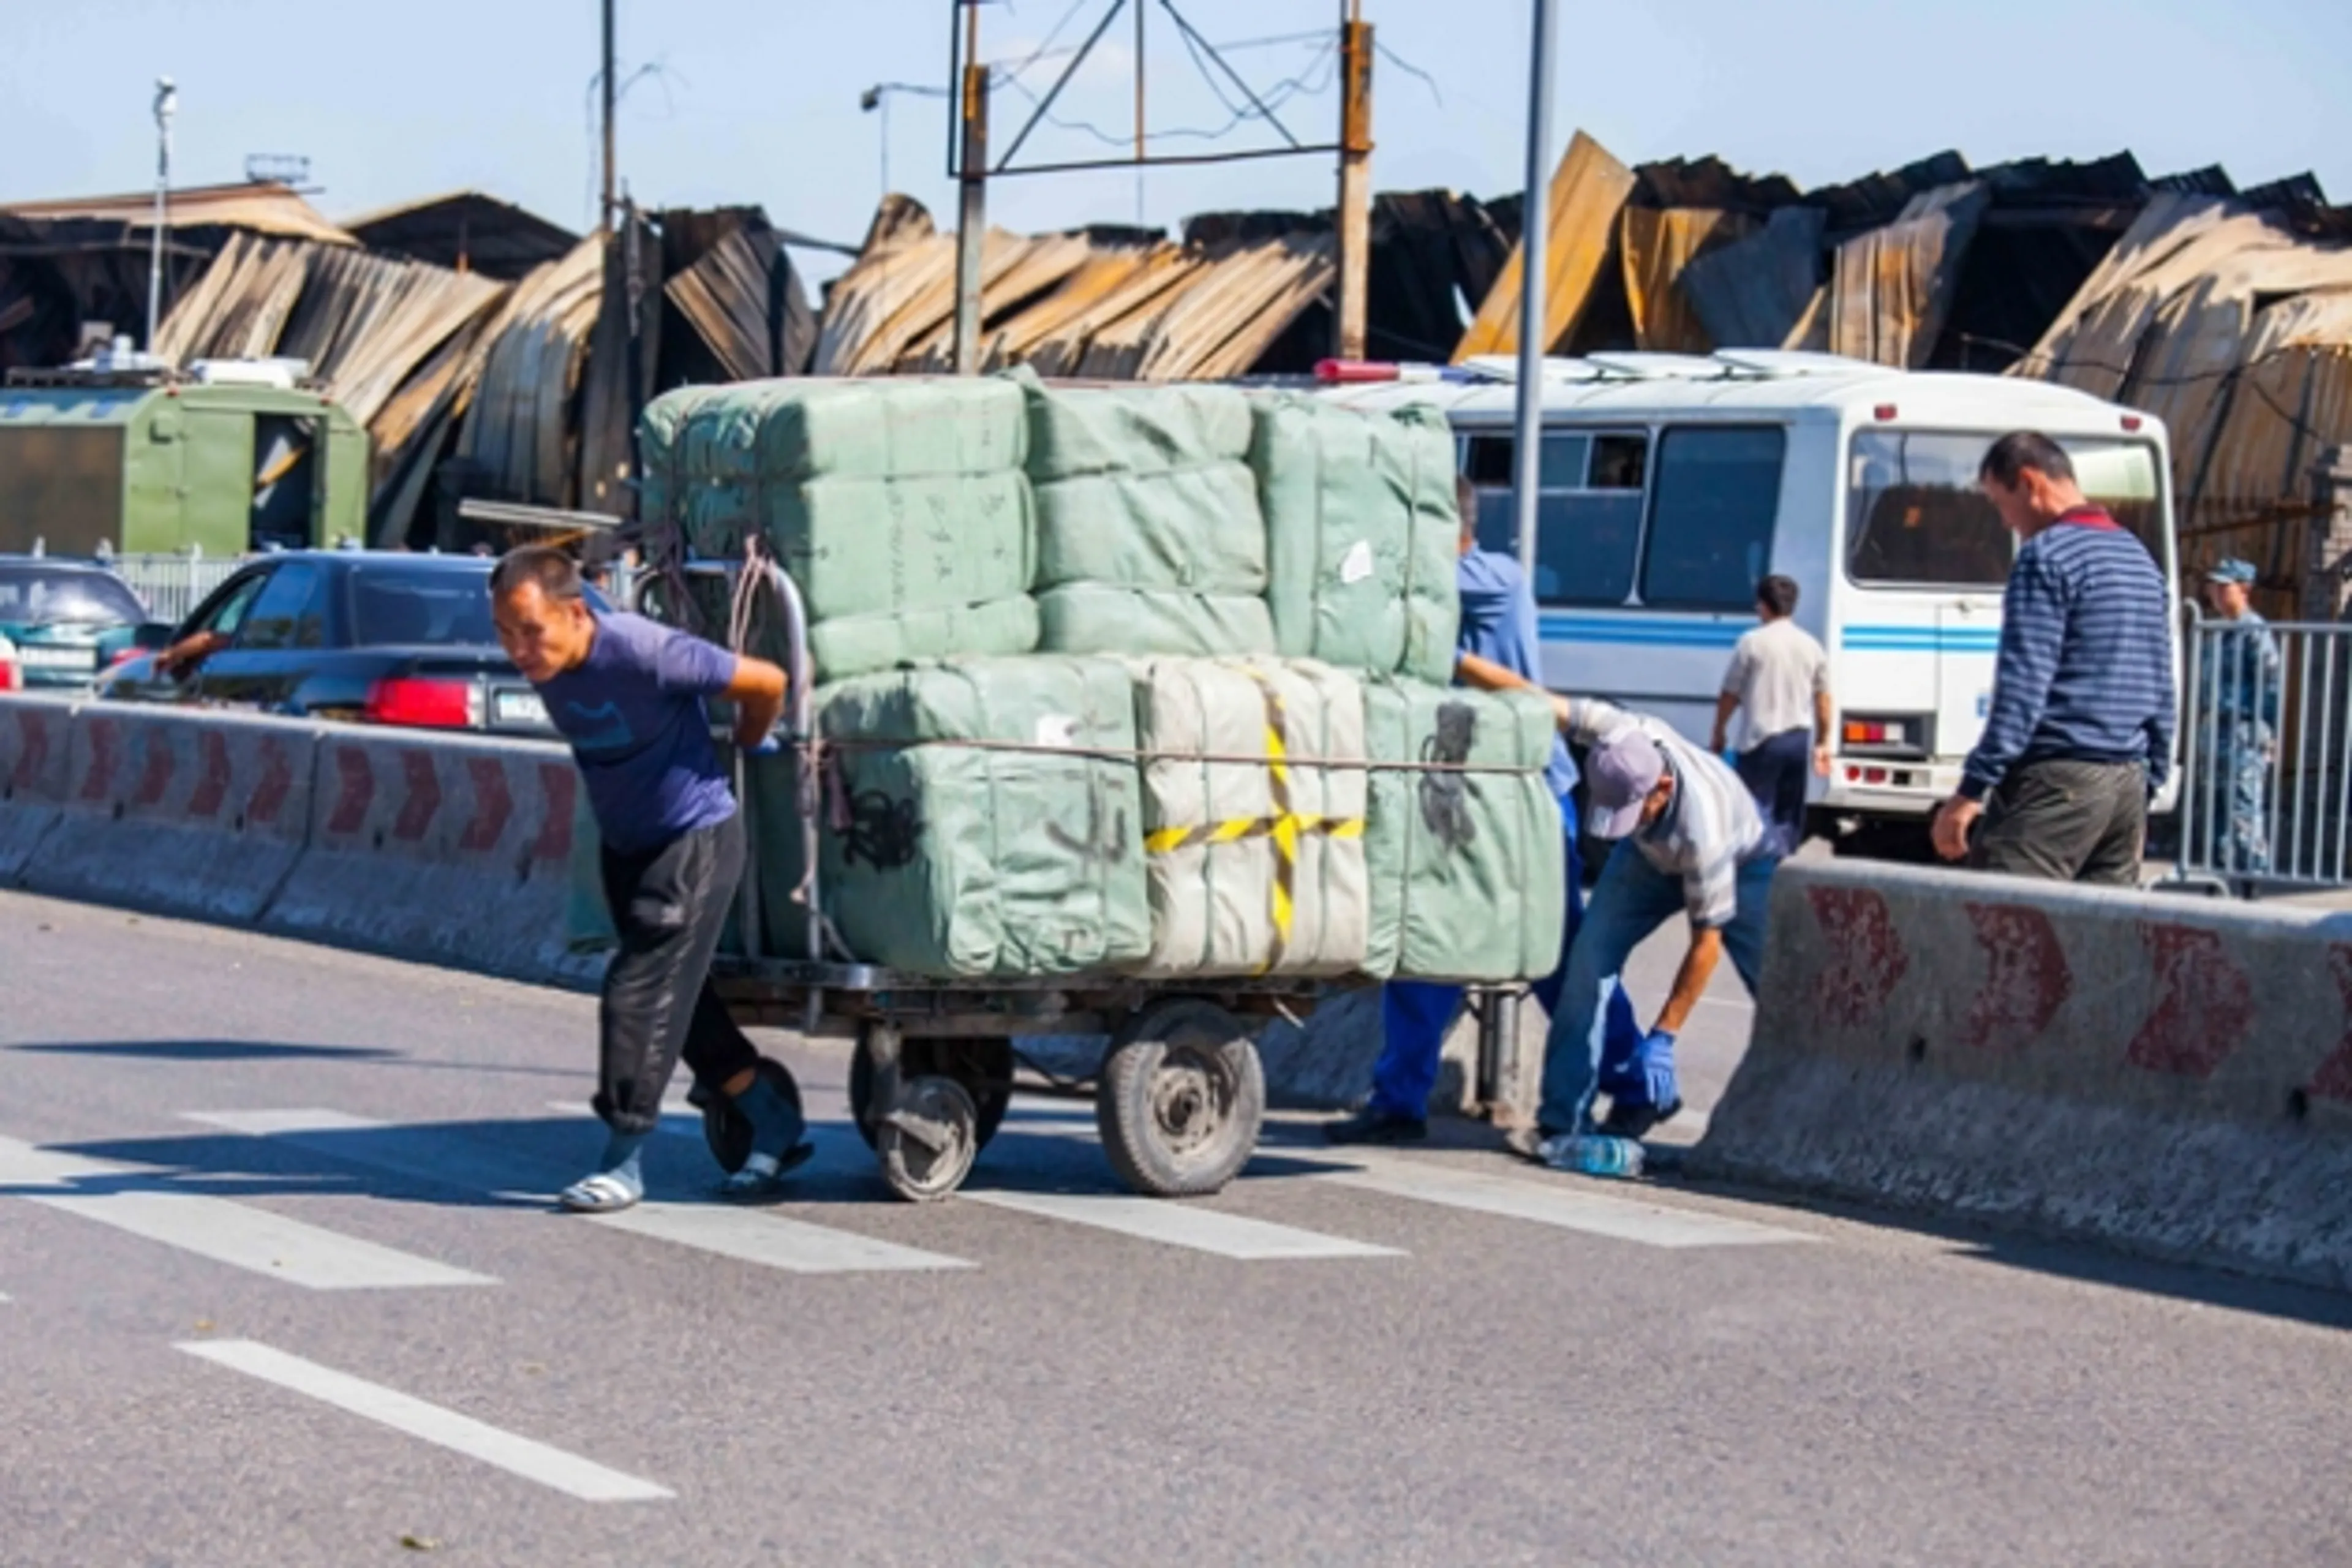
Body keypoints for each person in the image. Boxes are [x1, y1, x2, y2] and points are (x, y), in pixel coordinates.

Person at [489, 545, 810, 1213]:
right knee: (683, 1004)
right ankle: (768, 1113)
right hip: (626, 845)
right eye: (505, 633)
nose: (518, 649)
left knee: (638, 994)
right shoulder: (551, 663)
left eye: (531, 630)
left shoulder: (645, 651)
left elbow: (767, 681)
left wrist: (752, 741)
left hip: (693, 839)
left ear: (576, 614)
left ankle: (624, 1160)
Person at [1324, 475, 1642, 1145]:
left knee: (1559, 949)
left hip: (1526, 791)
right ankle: (1399, 1099)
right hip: (1456, 785)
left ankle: (1633, 1077)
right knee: (1424, 940)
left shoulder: (1495, 579)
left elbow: (1397, 596)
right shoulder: (1434, 594)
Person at [1517, 695, 1779, 1171]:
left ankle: (1790, 1121)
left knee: (1779, 989)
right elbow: (1537, 697)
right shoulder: (1619, 735)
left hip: (1744, 862)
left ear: (1661, 785)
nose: (1625, 822)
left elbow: (1706, 944)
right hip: (1645, 860)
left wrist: (1663, 1036)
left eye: (1634, 810)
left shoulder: (1706, 832)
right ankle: (1563, 1122)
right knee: (1588, 964)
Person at [1929, 432, 2175, 884]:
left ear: (2029, 483)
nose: (2006, 523)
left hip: (2058, 778)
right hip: (2126, 783)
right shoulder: (2138, 557)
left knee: (2004, 929)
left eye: (2001, 504)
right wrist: (2150, 782)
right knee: (2096, 941)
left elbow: (2023, 689)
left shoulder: (2046, 557)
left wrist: (1970, 790)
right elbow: (2160, 684)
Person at [1711, 574, 1832, 855]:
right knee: (1788, 815)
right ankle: (1781, 868)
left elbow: (1730, 694)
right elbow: (1824, 700)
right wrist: (1823, 743)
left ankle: (1755, 872)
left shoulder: (1752, 643)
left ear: (1763, 606)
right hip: (1798, 739)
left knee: (1753, 811)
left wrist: (1719, 731)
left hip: (1761, 740)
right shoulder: (1811, 645)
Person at [2196, 558, 2278, 876]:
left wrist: (2267, 731)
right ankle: (2219, 872)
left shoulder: (2254, 631)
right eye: (2213, 587)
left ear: (2244, 589)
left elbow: (2271, 681)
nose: (2216, 593)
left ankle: (2251, 876)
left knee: (2243, 806)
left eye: (2223, 587)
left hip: (2244, 729)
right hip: (2215, 729)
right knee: (2214, 806)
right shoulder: (2217, 631)